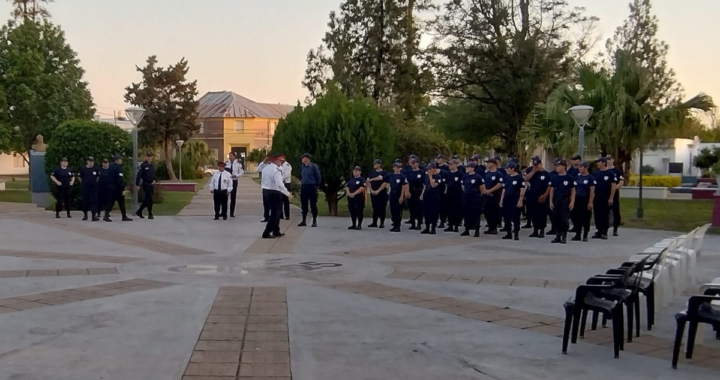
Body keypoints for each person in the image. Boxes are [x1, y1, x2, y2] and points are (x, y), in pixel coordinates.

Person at [261, 153, 292, 239]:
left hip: (266, 190)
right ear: (276, 161)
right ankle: (266, 232)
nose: (281, 162)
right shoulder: (276, 170)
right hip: (274, 192)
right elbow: (279, 184)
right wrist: (288, 194)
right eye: (280, 161)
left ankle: (276, 231)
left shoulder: (266, 168)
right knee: (275, 213)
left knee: (276, 212)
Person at [549, 159, 575, 244]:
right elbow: (552, 189)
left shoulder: (569, 177)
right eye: (556, 166)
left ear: (564, 166)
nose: (557, 168)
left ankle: (564, 235)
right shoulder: (554, 177)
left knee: (564, 218)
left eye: (558, 166)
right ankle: (557, 235)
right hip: (557, 199)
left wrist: (572, 202)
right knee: (556, 217)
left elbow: (573, 190)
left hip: (565, 199)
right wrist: (550, 201)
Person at [523, 155, 551, 238]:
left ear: (541, 164)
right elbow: (525, 179)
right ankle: (535, 230)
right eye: (534, 165)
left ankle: (542, 230)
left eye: (537, 165)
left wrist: (545, 195)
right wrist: (533, 171)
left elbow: (549, 186)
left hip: (542, 196)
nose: (536, 167)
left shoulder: (546, 174)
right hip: (532, 196)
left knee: (542, 214)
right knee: (533, 213)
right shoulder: (532, 172)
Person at [592, 157, 618, 240]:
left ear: (604, 163)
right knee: (597, 214)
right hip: (597, 197)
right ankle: (598, 230)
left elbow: (613, 186)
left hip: (605, 197)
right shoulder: (596, 173)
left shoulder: (610, 173)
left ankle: (604, 231)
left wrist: (611, 197)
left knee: (605, 214)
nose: (597, 164)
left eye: (599, 162)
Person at [499, 162, 525, 240]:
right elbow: (504, 189)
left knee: (515, 216)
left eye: (508, 168)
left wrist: (520, 200)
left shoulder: (519, 178)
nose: (506, 170)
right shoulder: (506, 177)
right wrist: (501, 200)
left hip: (515, 199)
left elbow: (522, 190)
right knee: (506, 216)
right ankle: (508, 232)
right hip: (507, 199)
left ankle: (516, 232)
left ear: (512, 169)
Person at [571, 162, 595, 242]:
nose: (579, 168)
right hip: (577, 199)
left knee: (586, 218)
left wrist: (590, 202)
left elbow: (592, 191)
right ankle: (578, 234)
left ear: (586, 168)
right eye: (579, 167)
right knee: (576, 217)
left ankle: (585, 234)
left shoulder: (590, 178)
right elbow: (573, 189)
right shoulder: (577, 177)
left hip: (585, 199)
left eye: (581, 167)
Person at [461, 162, 485, 237]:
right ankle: (466, 229)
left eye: (468, 167)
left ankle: (477, 229)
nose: (466, 168)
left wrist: (479, 196)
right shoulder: (465, 177)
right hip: (467, 197)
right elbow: (463, 186)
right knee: (466, 213)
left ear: (472, 168)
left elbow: (482, 188)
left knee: (476, 213)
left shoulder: (478, 177)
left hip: (475, 198)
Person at [298, 153, 321, 227]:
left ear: (307, 158)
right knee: (304, 204)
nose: (302, 159)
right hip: (304, 186)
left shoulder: (313, 166)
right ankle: (303, 220)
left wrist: (316, 185)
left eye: (303, 158)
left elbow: (318, 177)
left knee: (313, 204)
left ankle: (314, 220)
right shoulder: (302, 166)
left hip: (311, 186)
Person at [420, 162, 442, 234]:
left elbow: (433, 185)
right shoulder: (426, 176)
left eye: (430, 169)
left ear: (434, 169)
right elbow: (425, 186)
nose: (428, 170)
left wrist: (430, 176)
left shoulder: (438, 177)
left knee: (434, 212)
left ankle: (433, 228)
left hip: (434, 195)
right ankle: (427, 227)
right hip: (427, 195)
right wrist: (422, 194)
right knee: (426, 212)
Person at [108, 154, 132, 222]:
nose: (121, 161)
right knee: (120, 202)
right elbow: (119, 179)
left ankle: (107, 214)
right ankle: (123, 216)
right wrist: (122, 188)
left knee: (112, 201)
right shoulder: (118, 168)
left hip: (111, 186)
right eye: (121, 159)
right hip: (117, 188)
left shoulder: (111, 167)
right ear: (117, 160)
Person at [385, 162, 408, 232]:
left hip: (398, 193)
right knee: (393, 210)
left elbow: (404, 186)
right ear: (393, 168)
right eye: (396, 167)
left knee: (398, 211)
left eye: (399, 167)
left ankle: (398, 225)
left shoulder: (402, 176)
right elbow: (384, 180)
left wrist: (401, 196)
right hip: (392, 194)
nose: (398, 169)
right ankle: (394, 224)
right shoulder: (391, 175)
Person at [482, 157, 503, 235]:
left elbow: (499, 184)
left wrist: (490, 191)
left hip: (494, 195)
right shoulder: (486, 173)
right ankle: (490, 227)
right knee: (486, 212)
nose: (487, 164)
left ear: (493, 164)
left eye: (488, 163)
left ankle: (494, 228)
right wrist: (485, 191)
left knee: (494, 212)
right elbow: (483, 183)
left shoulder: (498, 174)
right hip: (486, 196)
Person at [366, 159, 388, 228]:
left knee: (382, 207)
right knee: (374, 207)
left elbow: (385, 182)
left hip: (381, 192)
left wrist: (378, 190)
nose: (374, 165)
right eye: (374, 164)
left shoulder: (384, 173)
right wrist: (371, 190)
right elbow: (368, 181)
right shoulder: (372, 172)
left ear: (379, 164)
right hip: (373, 191)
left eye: (375, 164)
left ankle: (382, 222)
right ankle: (374, 222)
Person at [444, 159, 464, 233]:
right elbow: (446, 184)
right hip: (449, 194)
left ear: (456, 165)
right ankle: (450, 225)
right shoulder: (448, 174)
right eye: (449, 164)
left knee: (457, 210)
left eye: (451, 164)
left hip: (457, 194)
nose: (450, 166)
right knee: (449, 210)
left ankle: (456, 225)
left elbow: (462, 185)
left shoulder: (460, 174)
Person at [606, 155, 624, 236]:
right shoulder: (604, 170)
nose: (608, 160)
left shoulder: (617, 171)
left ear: (613, 160)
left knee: (615, 211)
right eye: (606, 159)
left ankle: (615, 228)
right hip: (605, 194)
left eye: (609, 159)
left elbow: (621, 182)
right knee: (605, 212)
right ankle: (604, 228)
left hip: (615, 194)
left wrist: (613, 188)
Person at [135, 152, 156, 219]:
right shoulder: (143, 165)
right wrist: (137, 184)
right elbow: (139, 175)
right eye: (148, 157)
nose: (149, 158)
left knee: (147, 199)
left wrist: (154, 180)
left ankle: (139, 211)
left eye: (150, 157)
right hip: (146, 184)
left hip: (151, 184)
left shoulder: (152, 165)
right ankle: (150, 213)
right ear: (146, 157)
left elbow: (153, 174)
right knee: (149, 199)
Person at [405, 157, 425, 230]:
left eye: (414, 163)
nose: (412, 165)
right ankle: (413, 223)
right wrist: (407, 192)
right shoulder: (409, 172)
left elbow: (424, 184)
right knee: (411, 208)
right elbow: (407, 182)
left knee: (418, 208)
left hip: (419, 191)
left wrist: (422, 194)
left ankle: (419, 223)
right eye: (411, 163)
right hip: (411, 191)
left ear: (417, 163)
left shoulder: (421, 173)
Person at [78, 156, 99, 221]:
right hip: (85, 187)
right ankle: (85, 215)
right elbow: (79, 177)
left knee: (94, 201)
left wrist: (95, 182)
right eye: (90, 161)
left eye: (92, 161)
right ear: (87, 162)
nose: (91, 163)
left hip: (93, 188)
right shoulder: (83, 169)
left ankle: (93, 216)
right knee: (85, 200)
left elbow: (98, 177)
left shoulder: (95, 168)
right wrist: (83, 183)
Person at [225, 152, 245, 218]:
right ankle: (223, 212)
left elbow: (241, 172)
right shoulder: (226, 163)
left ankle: (232, 213)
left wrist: (236, 175)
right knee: (225, 197)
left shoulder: (238, 164)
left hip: (234, 181)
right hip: (227, 182)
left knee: (233, 197)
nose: (230, 157)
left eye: (231, 156)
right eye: (229, 156)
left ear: (234, 156)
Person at [435, 155, 450, 229]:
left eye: (439, 159)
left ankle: (443, 221)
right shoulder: (435, 169)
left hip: (443, 189)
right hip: (436, 190)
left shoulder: (446, 169)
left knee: (443, 207)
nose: (437, 160)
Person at [257, 156, 271, 222]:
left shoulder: (273, 166)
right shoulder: (264, 166)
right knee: (266, 203)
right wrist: (263, 162)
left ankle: (272, 216)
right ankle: (266, 217)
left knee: (272, 203)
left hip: (272, 187)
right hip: (265, 187)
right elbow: (258, 169)